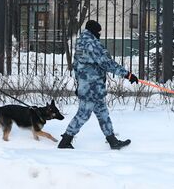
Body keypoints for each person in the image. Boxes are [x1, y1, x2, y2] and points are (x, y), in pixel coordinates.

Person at [58, 20, 139, 150]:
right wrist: (127, 74)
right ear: (94, 31)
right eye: (99, 32)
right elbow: (107, 63)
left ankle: (113, 141)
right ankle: (65, 140)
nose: (99, 34)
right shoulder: (92, 44)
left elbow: (76, 66)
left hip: (90, 86)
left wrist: (80, 84)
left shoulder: (80, 43)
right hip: (92, 87)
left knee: (102, 113)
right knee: (83, 114)